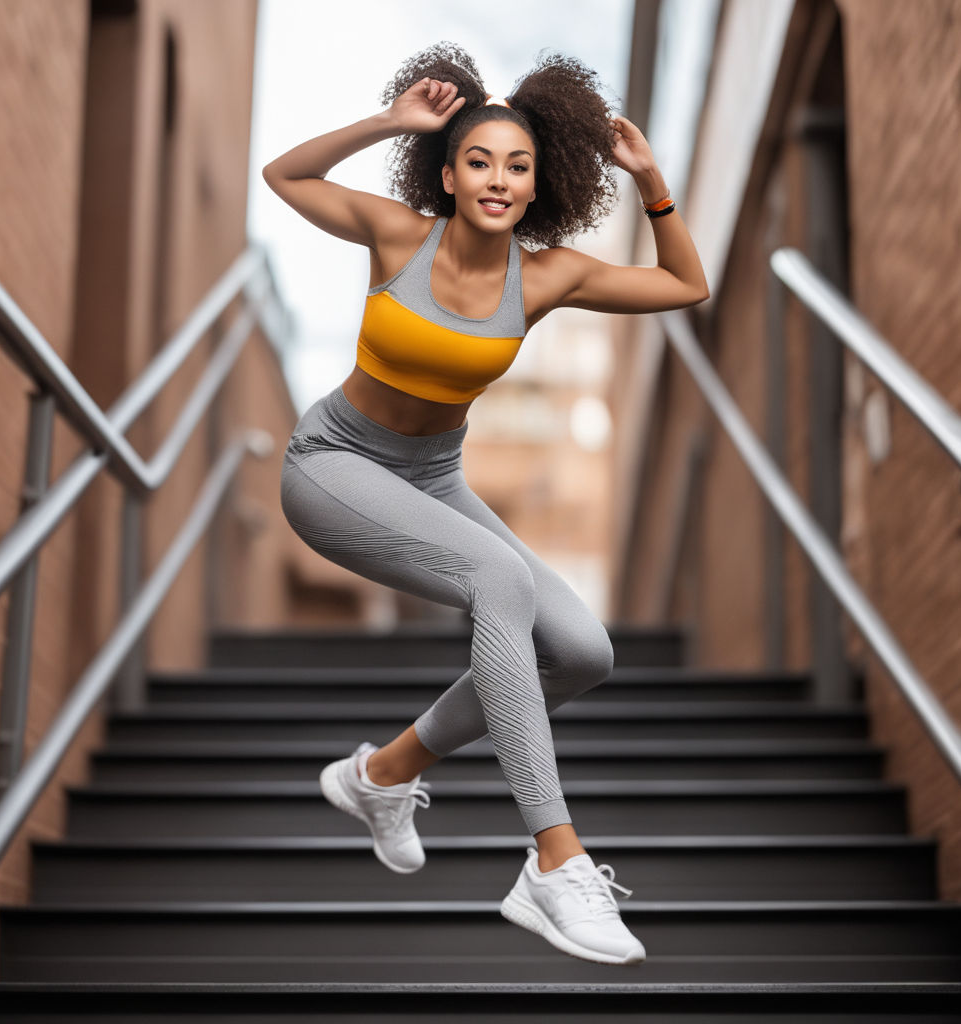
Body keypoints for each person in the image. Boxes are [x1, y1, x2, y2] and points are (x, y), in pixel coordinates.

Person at [262, 42, 708, 966]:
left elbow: (684, 285)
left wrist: (652, 180)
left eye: (518, 165)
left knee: (583, 651)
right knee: (499, 577)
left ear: (540, 182)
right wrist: (391, 121)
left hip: (433, 475)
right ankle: (554, 858)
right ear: (450, 174)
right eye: (478, 161)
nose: (498, 180)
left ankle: (382, 775)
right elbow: (283, 173)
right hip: (334, 462)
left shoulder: (545, 276)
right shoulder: (398, 234)